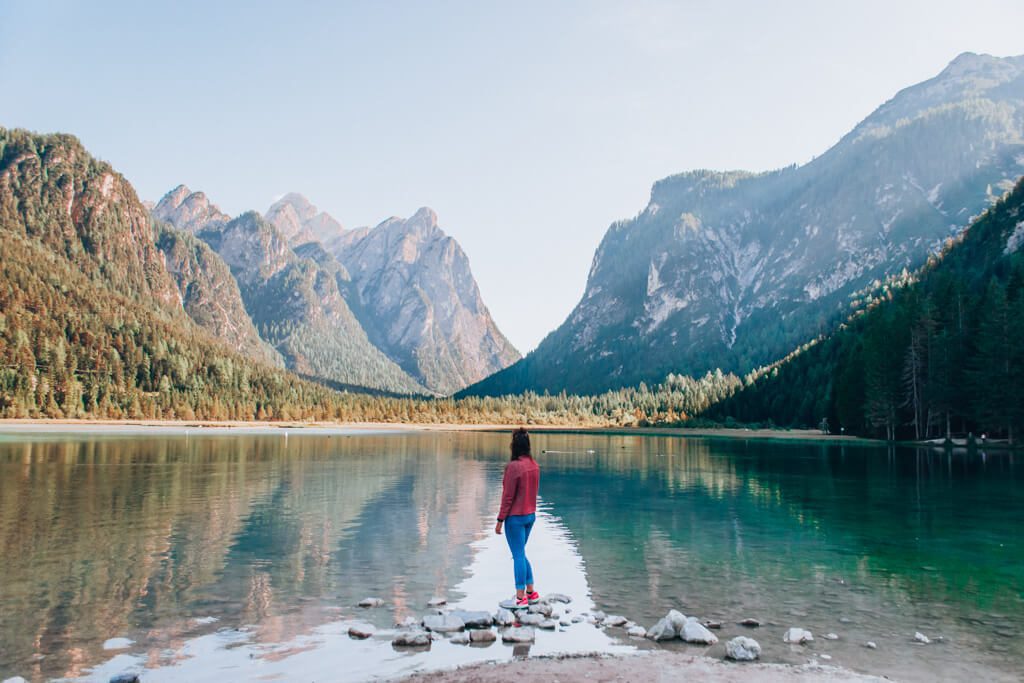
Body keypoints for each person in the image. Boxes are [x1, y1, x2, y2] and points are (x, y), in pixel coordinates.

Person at [494, 427, 540, 606]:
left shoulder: (513, 467)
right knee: (520, 553)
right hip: (530, 516)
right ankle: (531, 592)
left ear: (514, 446)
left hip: (515, 518)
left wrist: (500, 520)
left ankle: (520, 598)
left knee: (518, 555)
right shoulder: (534, 465)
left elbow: (507, 497)